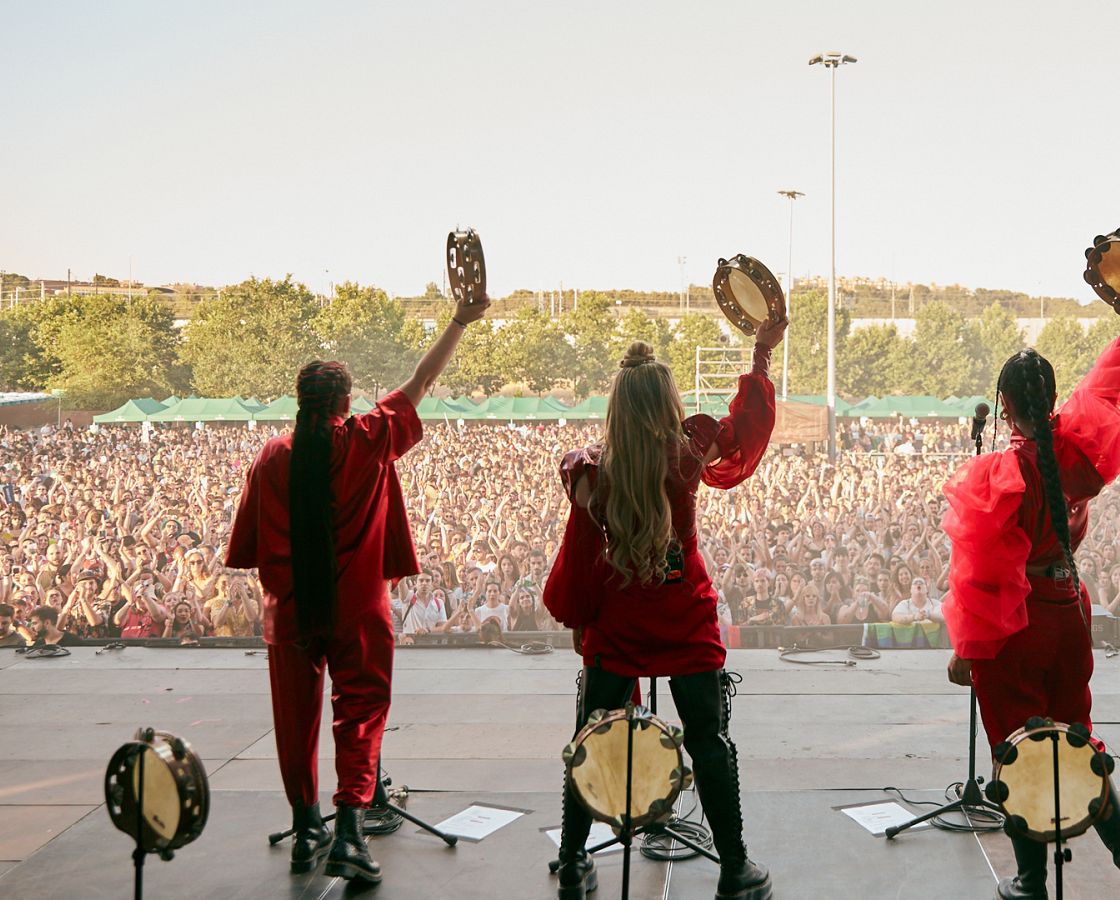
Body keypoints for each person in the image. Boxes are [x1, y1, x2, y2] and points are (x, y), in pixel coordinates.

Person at [226, 286, 488, 883]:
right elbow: (421, 382)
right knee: (361, 716)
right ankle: (349, 834)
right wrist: (459, 320)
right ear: (347, 401)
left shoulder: (271, 456)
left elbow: (248, 546)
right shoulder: (367, 440)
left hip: (289, 614)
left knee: (295, 720)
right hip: (358, 613)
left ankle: (305, 830)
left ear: (300, 402)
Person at [941, 290, 1120, 900]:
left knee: (1018, 751)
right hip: (1070, 608)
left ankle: (1029, 880)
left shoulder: (998, 477)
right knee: (1077, 738)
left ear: (1003, 405)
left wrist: (967, 649)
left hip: (1018, 626)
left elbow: (982, 576)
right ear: (1052, 401)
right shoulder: (1075, 454)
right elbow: (1103, 390)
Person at [543, 317, 786, 900]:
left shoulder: (587, 470)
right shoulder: (690, 449)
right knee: (709, 741)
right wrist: (760, 355)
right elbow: (748, 430)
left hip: (619, 625)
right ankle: (735, 869)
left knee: (590, 736)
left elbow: (577, 557)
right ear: (668, 400)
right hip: (684, 620)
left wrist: (582, 625)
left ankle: (575, 863)